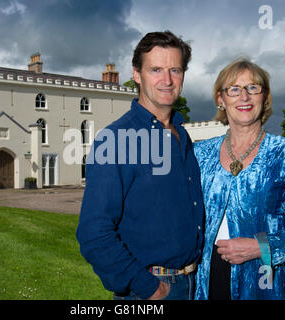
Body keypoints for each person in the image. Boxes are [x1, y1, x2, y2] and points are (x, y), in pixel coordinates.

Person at [76, 31, 204, 300]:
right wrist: (151, 289)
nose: (167, 80)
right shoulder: (116, 139)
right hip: (151, 289)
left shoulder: (182, 135)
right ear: (137, 74)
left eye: (175, 70)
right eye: (156, 69)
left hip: (195, 283)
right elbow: (93, 234)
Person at [194, 58, 285, 300]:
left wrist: (262, 247)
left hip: (268, 278)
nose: (244, 97)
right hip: (208, 278)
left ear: (265, 97)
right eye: (234, 89)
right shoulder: (200, 153)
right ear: (220, 99)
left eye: (253, 88)